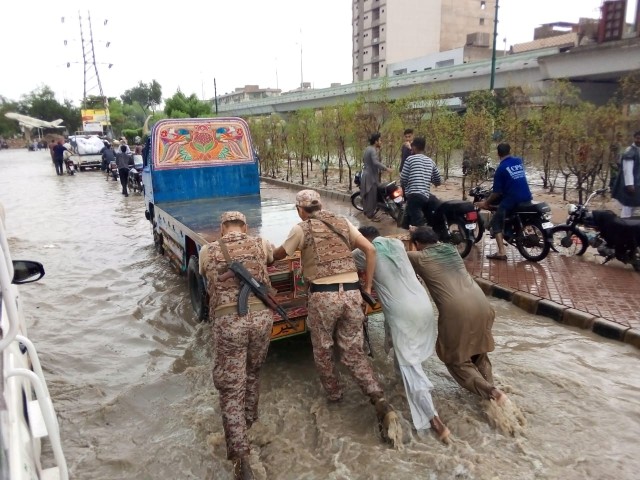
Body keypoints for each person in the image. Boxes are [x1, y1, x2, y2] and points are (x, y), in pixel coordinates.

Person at [272, 190, 400, 443]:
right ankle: (378, 398)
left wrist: (267, 252)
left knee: (322, 348)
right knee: (353, 352)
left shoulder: (301, 228)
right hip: (352, 294)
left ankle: (334, 396)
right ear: (320, 204)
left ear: (300, 209)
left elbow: (280, 255)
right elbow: (369, 251)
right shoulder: (343, 222)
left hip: (323, 296)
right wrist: (367, 287)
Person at [353, 226, 449, 442]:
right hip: (423, 305)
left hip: (402, 312)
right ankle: (401, 386)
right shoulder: (396, 244)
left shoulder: (361, 253)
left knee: (410, 366)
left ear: (362, 239)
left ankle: (434, 420)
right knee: (407, 355)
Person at [199, 211, 275, 480]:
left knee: (231, 387)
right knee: (253, 373)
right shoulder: (260, 243)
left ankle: (240, 457)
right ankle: (249, 423)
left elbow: (204, 275)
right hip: (262, 319)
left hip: (229, 320)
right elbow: (271, 258)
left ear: (222, 229)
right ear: (245, 226)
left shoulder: (208, 250)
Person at [408, 226, 508, 407]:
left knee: (455, 361)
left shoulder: (418, 257)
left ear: (417, 244)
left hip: (457, 312)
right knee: (479, 353)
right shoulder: (451, 250)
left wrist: (411, 239)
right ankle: (492, 393)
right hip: (482, 305)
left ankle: (490, 392)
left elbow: (398, 254)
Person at [475, 143, 532, 261]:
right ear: (510, 151)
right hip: (527, 196)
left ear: (498, 154)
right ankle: (511, 231)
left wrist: (486, 203)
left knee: (496, 222)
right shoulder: (518, 161)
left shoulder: (500, 169)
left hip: (512, 200)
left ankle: (501, 252)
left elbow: (496, 193)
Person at [400, 136, 442, 228]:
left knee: (417, 224)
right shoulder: (430, 161)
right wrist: (429, 179)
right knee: (410, 220)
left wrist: (405, 186)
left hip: (413, 195)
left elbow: (403, 178)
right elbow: (438, 181)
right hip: (425, 196)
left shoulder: (410, 159)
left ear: (414, 147)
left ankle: (423, 237)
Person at [360, 133, 391, 222]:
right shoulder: (372, 150)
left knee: (368, 196)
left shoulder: (367, 149)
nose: (381, 142)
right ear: (376, 141)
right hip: (370, 176)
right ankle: (370, 216)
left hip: (366, 174)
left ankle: (368, 214)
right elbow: (375, 162)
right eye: (380, 140)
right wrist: (386, 168)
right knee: (371, 197)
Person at [611, 130, 640, 218]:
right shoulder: (630, 152)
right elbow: (627, 170)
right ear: (634, 138)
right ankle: (624, 225)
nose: (639, 140)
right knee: (628, 206)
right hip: (631, 184)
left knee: (635, 205)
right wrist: (630, 185)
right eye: (638, 138)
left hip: (638, 182)